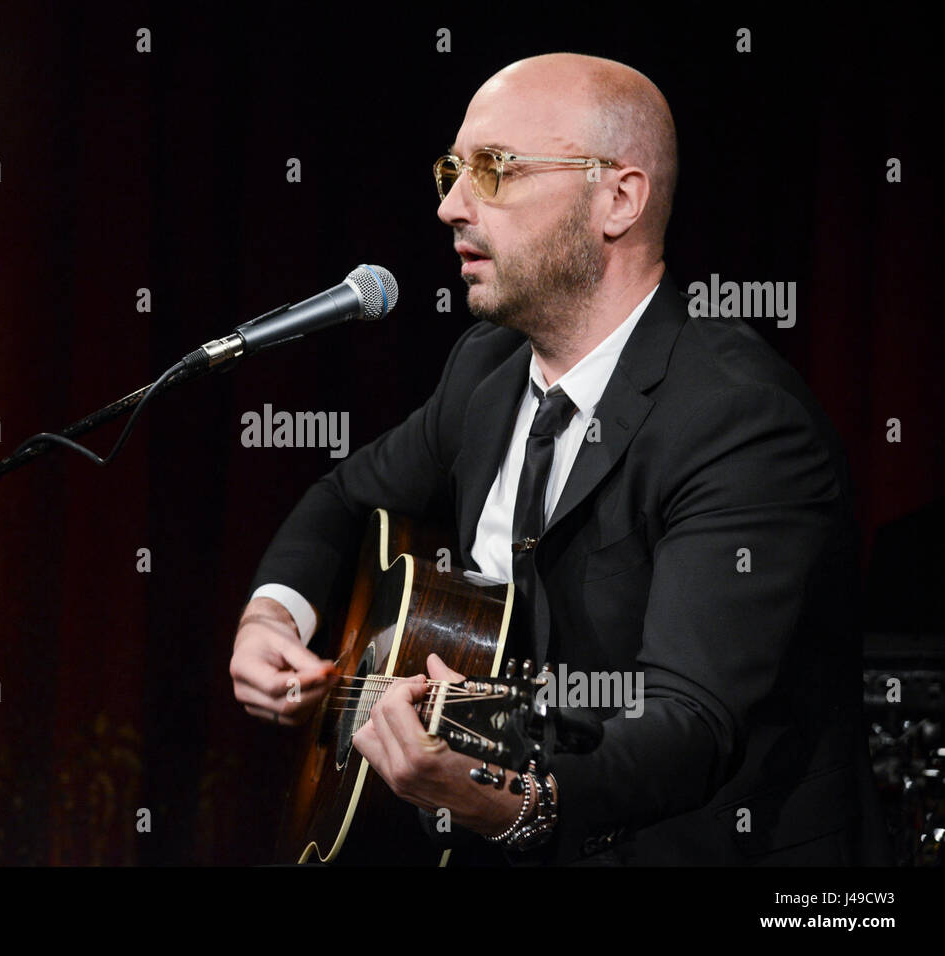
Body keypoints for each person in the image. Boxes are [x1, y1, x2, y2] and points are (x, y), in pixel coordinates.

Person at [228, 53, 887, 865]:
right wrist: (275, 614)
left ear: (618, 199)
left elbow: (686, 724)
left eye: (494, 170)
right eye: (451, 169)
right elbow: (342, 497)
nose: (449, 206)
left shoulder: (741, 421)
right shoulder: (486, 371)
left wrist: (507, 801)